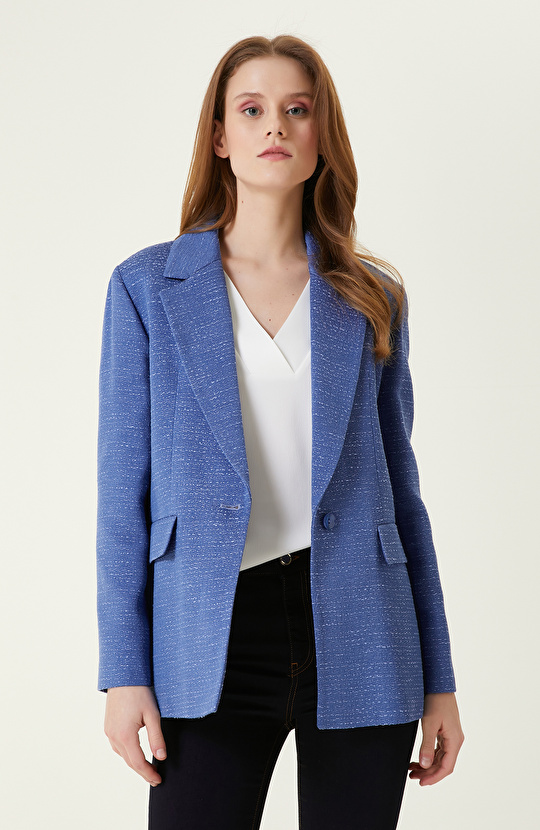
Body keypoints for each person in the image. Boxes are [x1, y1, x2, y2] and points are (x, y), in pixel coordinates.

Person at [97, 34, 464, 830]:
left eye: (298, 110)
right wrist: (124, 672)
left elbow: (404, 496)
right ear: (220, 137)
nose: (276, 126)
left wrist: (439, 678)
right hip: (211, 634)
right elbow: (122, 497)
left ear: (321, 136)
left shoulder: (371, 296)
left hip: (362, 625)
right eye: (252, 109)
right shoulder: (147, 288)